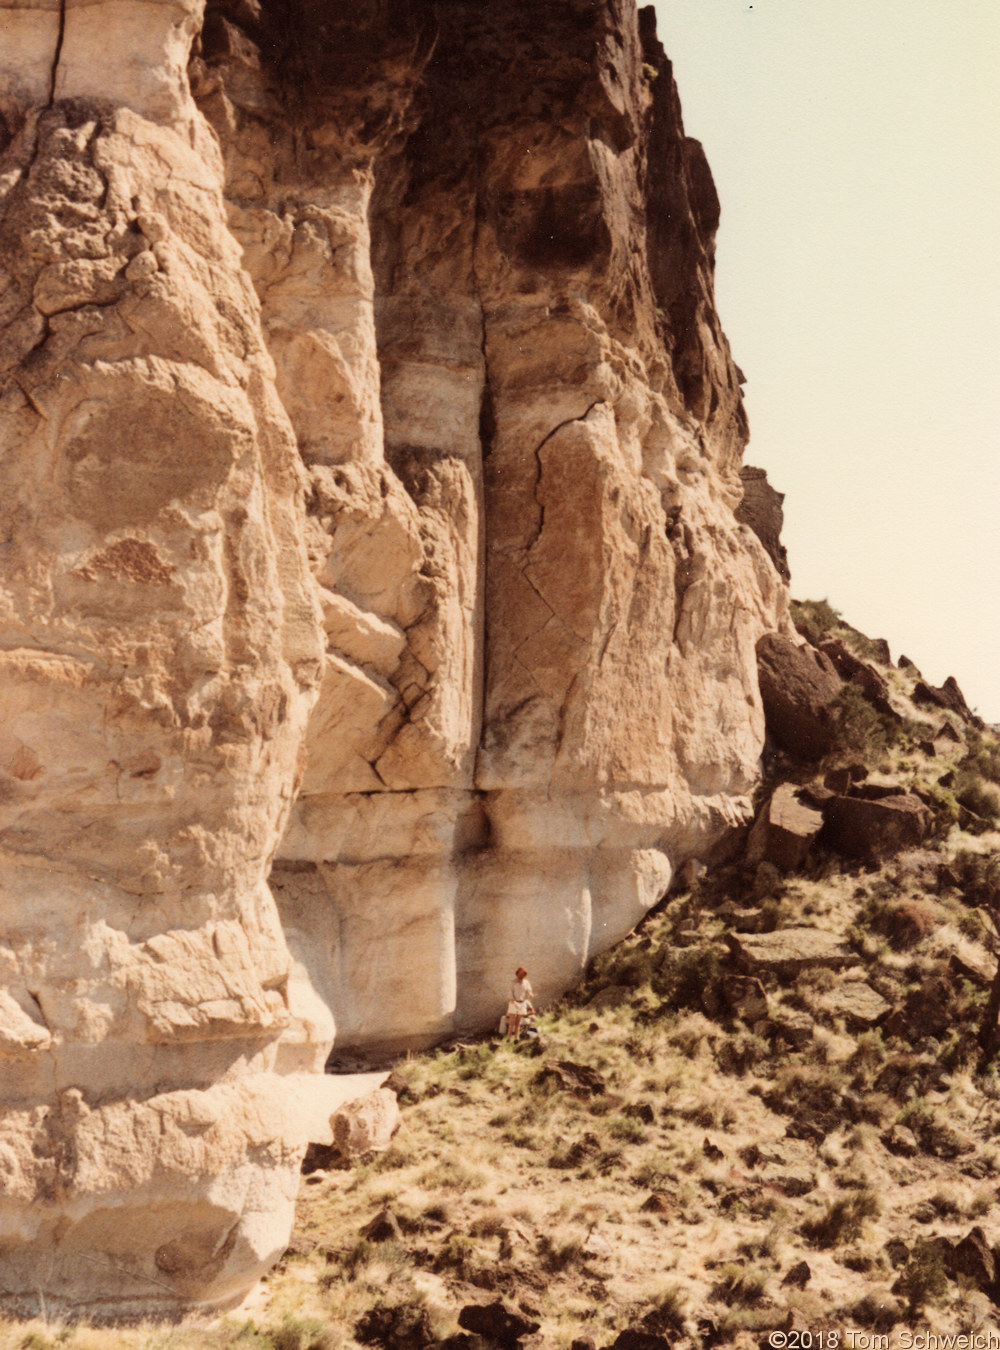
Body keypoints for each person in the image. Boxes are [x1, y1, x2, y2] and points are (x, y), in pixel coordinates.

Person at [506, 966, 534, 1039]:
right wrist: (515, 1003)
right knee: (511, 1023)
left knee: (518, 1023)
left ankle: (516, 1038)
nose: (522, 975)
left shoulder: (526, 982)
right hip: (513, 1003)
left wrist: (531, 994)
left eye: (523, 974)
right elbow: (510, 994)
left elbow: (529, 991)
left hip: (522, 1003)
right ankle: (508, 1038)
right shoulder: (512, 982)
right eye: (520, 974)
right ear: (517, 974)